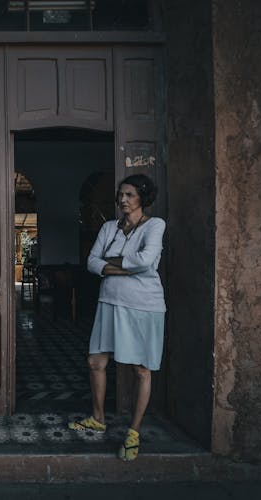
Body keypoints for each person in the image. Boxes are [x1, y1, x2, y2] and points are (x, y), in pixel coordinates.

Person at [68, 173, 166, 462]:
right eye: (121, 195)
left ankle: (134, 432)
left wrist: (111, 263)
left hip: (143, 305)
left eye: (130, 195)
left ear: (142, 198)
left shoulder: (155, 225)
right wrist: (126, 268)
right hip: (109, 301)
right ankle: (98, 418)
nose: (123, 200)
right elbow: (91, 262)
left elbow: (146, 260)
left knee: (141, 370)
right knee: (95, 361)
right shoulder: (109, 227)